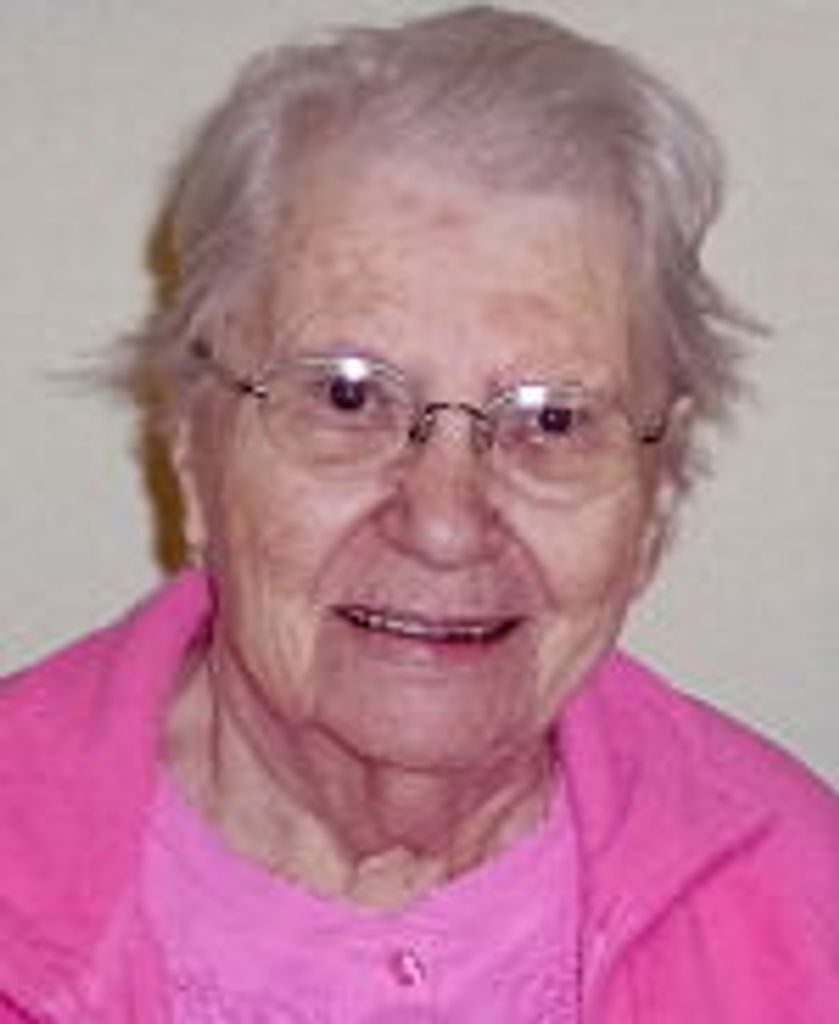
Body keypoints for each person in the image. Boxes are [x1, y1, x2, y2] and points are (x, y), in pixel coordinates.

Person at [1, 5, 837, 1021]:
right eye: (347, 396)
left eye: (552, 418)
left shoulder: (803, 898)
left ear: (656, 496)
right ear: (192, 447)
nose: (443, 523)